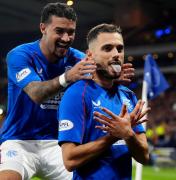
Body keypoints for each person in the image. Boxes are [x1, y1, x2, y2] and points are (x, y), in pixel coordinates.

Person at [0, 2, 134, 180]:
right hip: (19, 141)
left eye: (71, 32)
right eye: (59, 31)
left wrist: (112, 75)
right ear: (43, 28)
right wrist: (67, 77)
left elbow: (99, 80)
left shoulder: (78, 58)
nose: (66, 37)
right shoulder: (21, 55)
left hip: (58, 143)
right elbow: (36, 94)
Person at [58, 23, 150, 180]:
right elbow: (69, 160)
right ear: (90, 56)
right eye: (107, 48)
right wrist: (114, 136)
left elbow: (144, 157)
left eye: (119, 49)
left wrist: (128, 135)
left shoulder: (128, 96)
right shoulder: (76, 94)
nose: (116, 54)